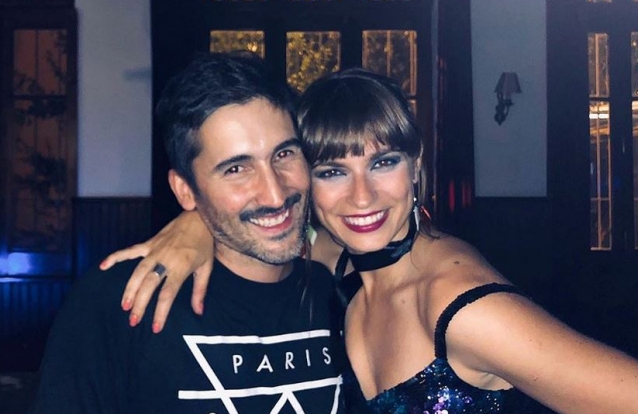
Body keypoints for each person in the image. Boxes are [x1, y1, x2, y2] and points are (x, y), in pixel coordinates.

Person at [102, 69, 638, 414]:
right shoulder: (342, 263)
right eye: (332, 171)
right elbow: (269, 231)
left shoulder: (466, 309)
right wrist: (196, 223)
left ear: (415, 165)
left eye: (384, 162)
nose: (362, 197)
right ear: (304, 180)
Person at [31, 53, 344, 414]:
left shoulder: (340, 293)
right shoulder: (118, 302)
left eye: (284, 154)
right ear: (185, 190)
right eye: (236, 169)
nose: (275, 194)